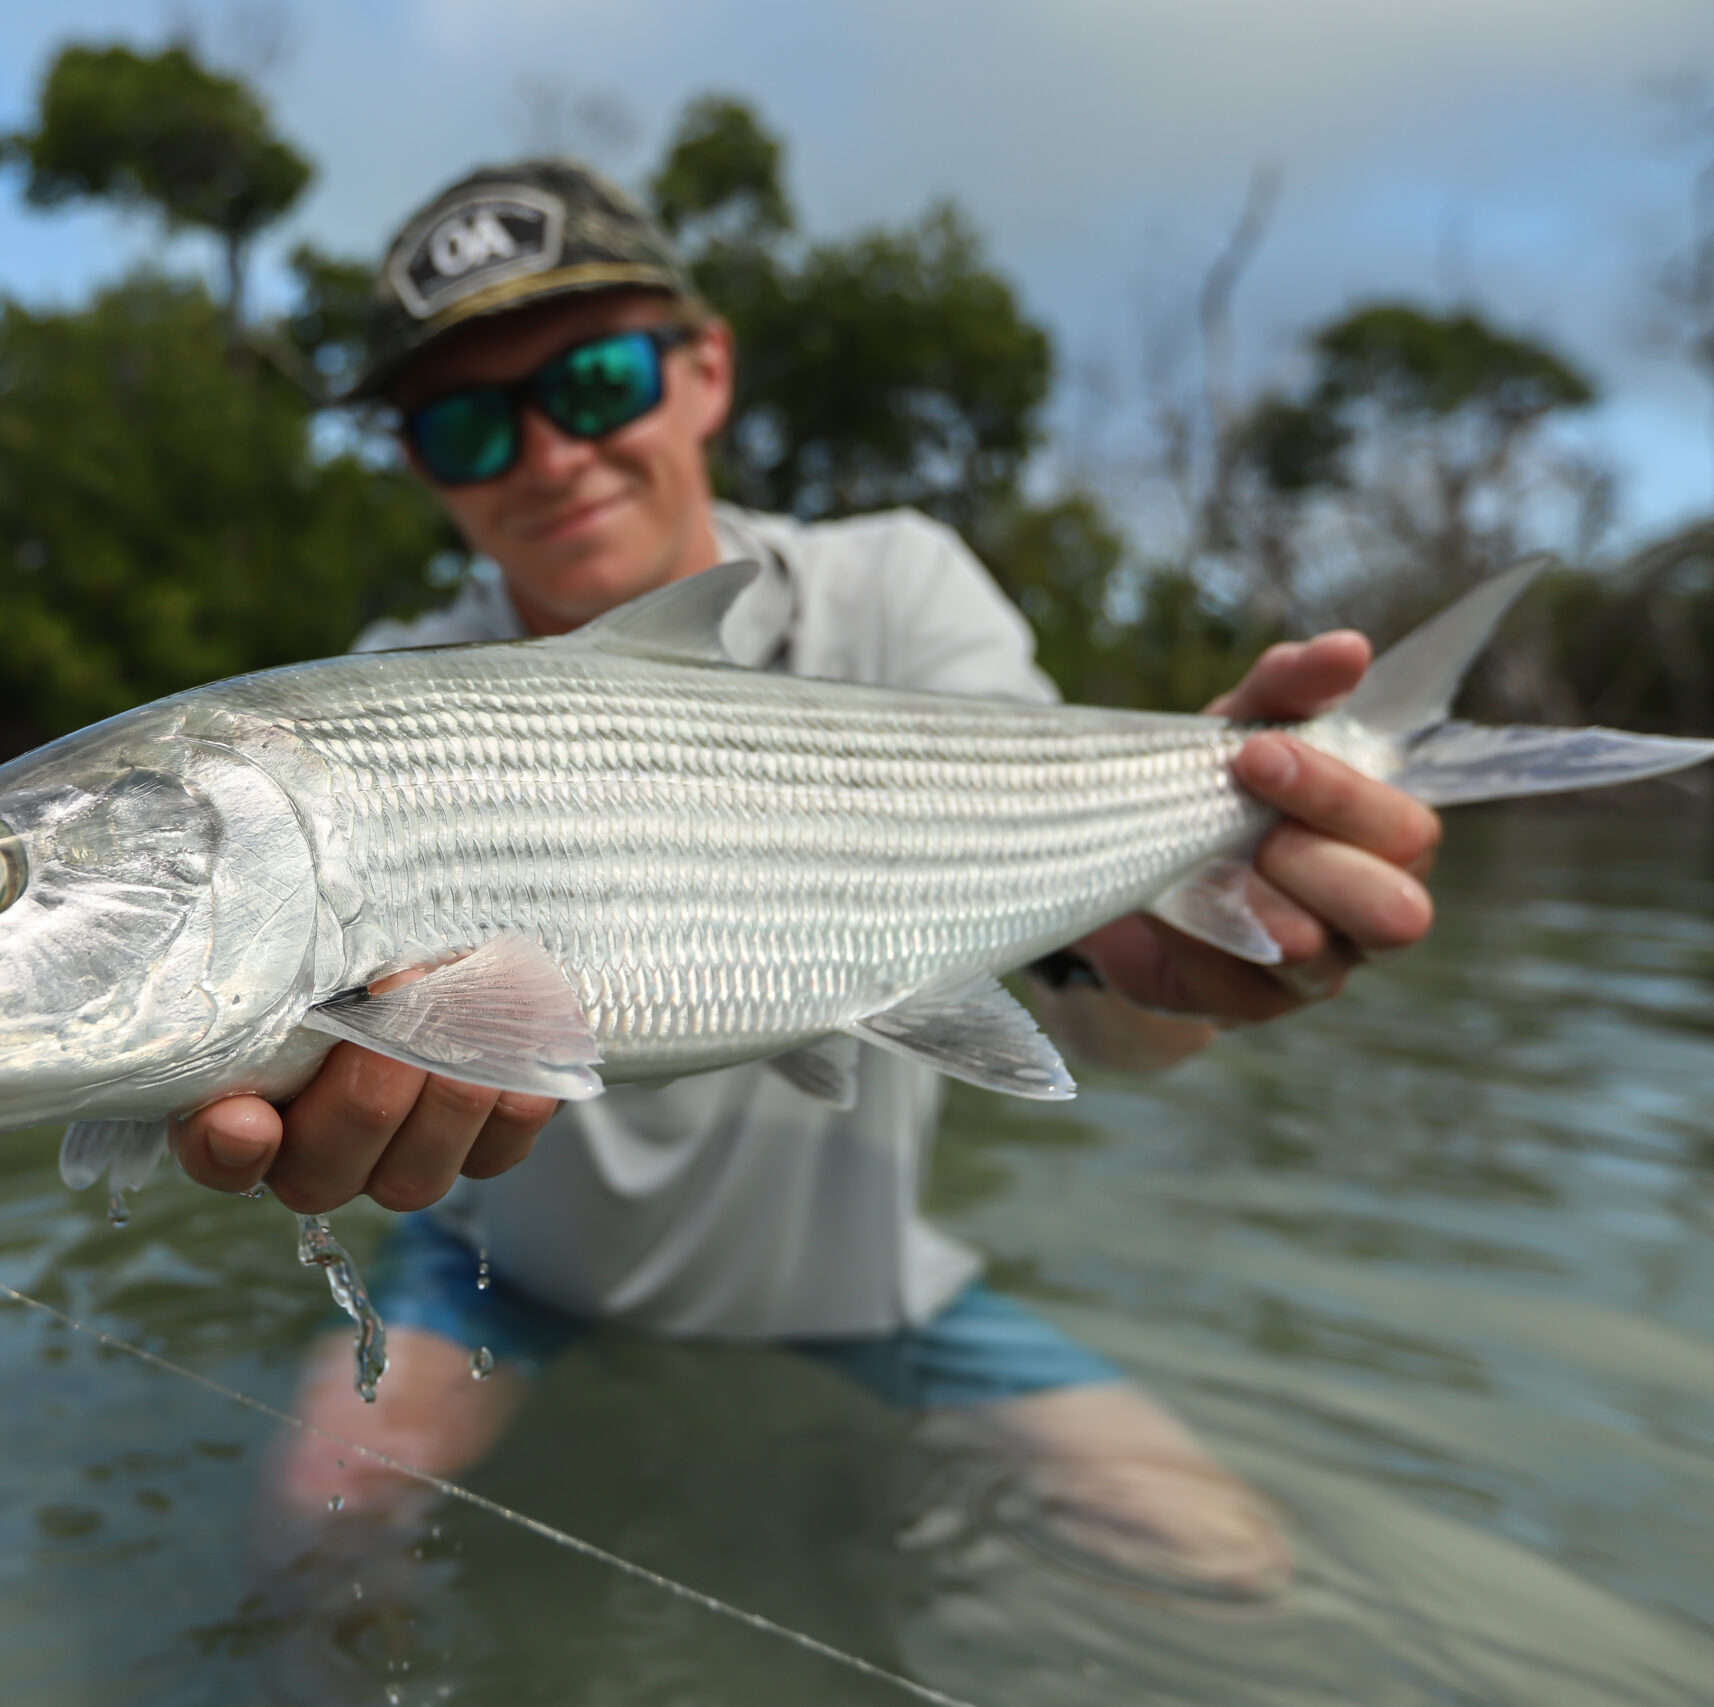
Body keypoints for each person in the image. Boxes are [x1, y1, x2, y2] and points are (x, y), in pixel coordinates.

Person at [172, 160, 1442, 1595]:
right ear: (422, 465)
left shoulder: (897, 587)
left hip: (865, 1298)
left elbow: (1111, 1012)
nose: (550, 456)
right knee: (317, 1546)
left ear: (705, 372)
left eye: (594, 381)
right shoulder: (381, 696)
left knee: (1229, 1568)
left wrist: (1189, 903)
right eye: (466, 422)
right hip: (504, 1285)